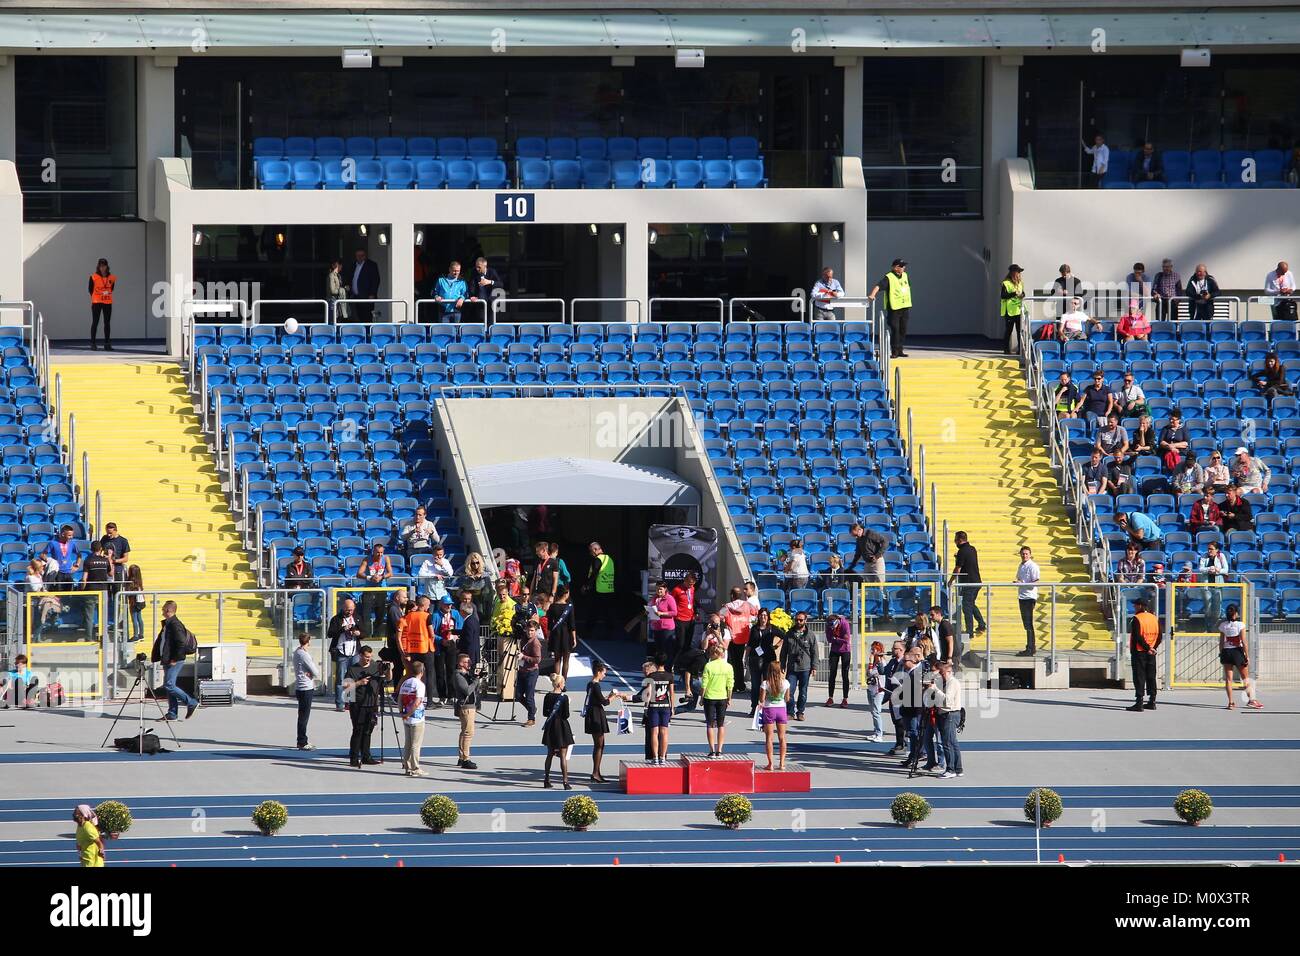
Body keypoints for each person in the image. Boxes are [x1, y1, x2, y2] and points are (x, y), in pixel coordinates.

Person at [153, 600, 198, 721]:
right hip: (168, 659)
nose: (162, 612)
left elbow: (181, 643)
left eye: (163, 610)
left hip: (174, 660)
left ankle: (191, 702)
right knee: (169, 686)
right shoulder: (168, 624)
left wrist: (174, 658)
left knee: (169, 685)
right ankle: (172, 713)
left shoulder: (175, 624)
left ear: (168, 610)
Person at [345, 645, 385, 767]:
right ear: (361, 656)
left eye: (370, 657)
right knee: (358, 730)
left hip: (372, 703)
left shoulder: (375, 666)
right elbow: (346, 687)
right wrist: (359, 683)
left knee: (368, 730)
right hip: (358, 703)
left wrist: (389, 670)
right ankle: (353, 757)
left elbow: (386, 679)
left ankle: (366, 756)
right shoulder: (353, 669)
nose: (368, 659)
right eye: (366, 657)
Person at [584, 661, 624, 780]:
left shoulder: (590, 684)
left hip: (593, 713)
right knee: (599, 745)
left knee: (599, 745)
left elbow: (598, 699)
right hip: (596, 715)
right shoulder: (596, 685)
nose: (604, 675)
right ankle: (595, 773)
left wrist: (609, 696)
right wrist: (614, 697)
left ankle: (596, 772)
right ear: (598, 672)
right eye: (604, 673)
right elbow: (605, 702)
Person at [1218, 604, 1263, 711]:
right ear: (1236, 613)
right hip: (1237, 652)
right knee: (1245, 678)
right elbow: (1243, 642)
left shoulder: (1223, 625)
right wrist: (1247, 656)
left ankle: (1230, 703)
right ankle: (1251, 700)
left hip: (1226, 652)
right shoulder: (1240, 625)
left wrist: (1221, 653)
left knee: (1229, 679)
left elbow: (1221, 642)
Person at [695, 644, 734, 758]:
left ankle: (712, 750)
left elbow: (704, 684)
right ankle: (720, 750)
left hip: (710, 697)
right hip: (722, 697)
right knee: (721, 724)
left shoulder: (708, 666)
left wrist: (701, 697)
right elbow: (730, 684)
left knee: (710, 724)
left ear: (713, 654)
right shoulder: (728, 667)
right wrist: (729, 698)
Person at [868, 258, 912, 358]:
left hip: (905, 307)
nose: (903, 268)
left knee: (903, 330)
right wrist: (872, 295)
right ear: (895, 267)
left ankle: (900, 350)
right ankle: (894, 351)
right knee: (895, 329)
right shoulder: (889, 277)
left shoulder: (905, 275)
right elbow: (878, 286)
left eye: (904, 266)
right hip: (894, 308)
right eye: (901, 266)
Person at [539, 673, 575, 789]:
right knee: (563, 755)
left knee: (549, 754)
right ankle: (565, 782)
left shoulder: (547, 696)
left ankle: (546, 780)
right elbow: (566, 715)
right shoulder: (564, 698)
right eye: (563, 683)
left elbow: (545, 713)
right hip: (561, 727)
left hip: (550, 727)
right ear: (559, 684)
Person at [779, 611, 816, 721]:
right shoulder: (789, 634)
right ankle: (790, 712)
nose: (798, 622)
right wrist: (782, 664)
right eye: (797, 620)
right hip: (792, 667)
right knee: (789, 690)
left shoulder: (810, 635)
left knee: (803, 691)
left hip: (805, 667)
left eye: (801, 620)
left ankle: (800, 712)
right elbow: (784, 651)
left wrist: (814, 667)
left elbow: (815, 652)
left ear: (805, 621)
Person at [948, 531, 986, 637]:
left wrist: (951, 580)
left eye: (955, 540)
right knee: (970, 604)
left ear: (960, 540)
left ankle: (969, 631)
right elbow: (967, 563)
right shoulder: (972, 549)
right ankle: (982, 624)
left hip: (969, 583)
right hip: (976, 581)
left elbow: (958, 568)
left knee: (967, 607)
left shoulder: (962, 551)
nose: (955, 542)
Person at [327, 597, 361, 711]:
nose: (350, 612)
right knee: (341, 679)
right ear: (343, 608)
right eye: (347, 610)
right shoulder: (336, 619)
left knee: (351, 679)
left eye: (351, 610)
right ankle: (340, 704)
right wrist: (343, 629)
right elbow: (330, 633)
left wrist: (358, 633)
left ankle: (349, 703)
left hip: (354, 651)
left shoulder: (356, 617)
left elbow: (365, 632)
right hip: (341, 652)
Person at [746, 606, 781, 716]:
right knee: (756, 684)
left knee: (767, 684)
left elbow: (784, 636)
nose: (763, 617)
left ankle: (766, 706)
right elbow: (750, 644)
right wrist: (746, 657)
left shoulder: (772, 628)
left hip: (768, 659)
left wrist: (776, 645)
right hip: (755, 659)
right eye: (761, 615)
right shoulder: (754, 629)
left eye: (765, 615)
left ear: (768, 617)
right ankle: (754, 707)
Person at [1126, 599, 1160, 712]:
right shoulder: (1154, 618)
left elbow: (1137, 637)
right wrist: (1153, 648)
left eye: (1135, 605)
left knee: (1139, 677)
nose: (1134, 607)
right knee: (1151, 676)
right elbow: (1159, 635)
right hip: (1151, 652)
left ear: (1140, 606)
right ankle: (1152, 701)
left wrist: (1147, 648)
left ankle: (1139, 702)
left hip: (1139, 652)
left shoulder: (1137, 618)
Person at [931, 660, 963, 778]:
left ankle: (951, 769)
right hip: (947, 713)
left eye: (943, 673)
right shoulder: (945, 682)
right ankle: (958, 768)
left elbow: (947, 700)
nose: (941, 676)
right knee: (953, 742)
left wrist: (935, 689)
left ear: (949, 672)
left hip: (950, 714)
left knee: (947, 742)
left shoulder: (952, 682)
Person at [758, 659, 792, 771]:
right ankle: (782, 763)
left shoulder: (765, 683)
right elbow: (787, 699)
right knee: (782, 737)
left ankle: (770, 764)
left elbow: (762, 699)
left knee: (769, 738)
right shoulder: (786, 683)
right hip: (781, 709)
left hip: (769, 709)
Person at [722, 586, 756, 693]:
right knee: (739, 663)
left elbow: (719, 616)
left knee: (732, 662)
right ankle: (740, 685)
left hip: (732, 637)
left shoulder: (727, 607)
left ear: (732, 595)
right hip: (743, 636)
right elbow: (755, 612)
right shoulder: (747, 605)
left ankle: (732, 685)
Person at [642, 654, 674, 765]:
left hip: (654, 707)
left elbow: (649, 693)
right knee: (664, 732)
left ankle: (655, 757)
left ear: (655, 663)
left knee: (654, 732)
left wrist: (646, 706)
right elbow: (671, 693)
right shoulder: (670, 676)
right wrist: (672, 707)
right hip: (665, 707)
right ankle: (662, 757)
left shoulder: (651, 676)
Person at [354, 543, 392, 636]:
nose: (380, 555)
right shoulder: (367, 559)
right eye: (378, 553)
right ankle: (366, 634)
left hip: (381, 588)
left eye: (381, 552)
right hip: (369, 589)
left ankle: (377, 634)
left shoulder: (386, 558)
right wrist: (369, 577)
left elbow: (390, 573)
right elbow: (359, 573)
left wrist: (382, 577)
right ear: (373, 552)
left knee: (380, 613)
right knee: (366, 613)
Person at [398, 660, 428, 777]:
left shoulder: (405, 682)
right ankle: (415, 767)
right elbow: (417, 702)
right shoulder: (420, 685)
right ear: (422, 671)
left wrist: (402, 713)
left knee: (408, 744)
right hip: (416, 718)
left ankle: (407, 766)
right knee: (416, 744)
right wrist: (409, 713)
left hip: (406, 717)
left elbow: (400, 698)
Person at [451, 652, 479, 770]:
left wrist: (475, 676)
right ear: (461, 663)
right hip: (466, 707)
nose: (470, 664)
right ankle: (466, 759)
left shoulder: (465, 674)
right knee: (468, 733)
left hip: (469, 706)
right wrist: (476, 680)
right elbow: (467, 690)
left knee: (465, 732)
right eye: (467, 662)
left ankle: (462, 757)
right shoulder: (458, 676)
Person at [583, 541, 616, 639]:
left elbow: (594, 574)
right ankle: (610, 632)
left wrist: (587, 586)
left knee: (593, 611)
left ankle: (588, 631)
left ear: (595, 550)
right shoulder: (610, 559)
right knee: (608, 612)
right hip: (609, 589)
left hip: (599, 590)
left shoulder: (597, 559)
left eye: (590, 551)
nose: (590, 554)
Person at [292, 632, 319, 751]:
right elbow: (315, 671)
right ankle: (302, 741)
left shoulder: (297, 652)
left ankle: (301, 740)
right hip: (306, 687)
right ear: (308, 641)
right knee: (304, 716)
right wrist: (312, 673)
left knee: (302, 715)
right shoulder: (304, 655)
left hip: (300, 686)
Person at [882, 640, 909, 754]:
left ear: (901, 650)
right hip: (892, 694)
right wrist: (878, 661)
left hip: (902, 695)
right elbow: (884, 671)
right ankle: (899, 743)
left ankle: (904, 744)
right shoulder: (893, 661)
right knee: (896, 720)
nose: (892, 650)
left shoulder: (906, 662)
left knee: (903, 721)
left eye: (895, 648)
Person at [81, 540, 113, 636]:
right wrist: (110, 558)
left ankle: (89, 637)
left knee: (89, 616)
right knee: (103, 615)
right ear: (101, 549)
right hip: (103, 590)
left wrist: (82, 590)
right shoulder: (105, 560)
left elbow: (84, 579)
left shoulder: (88, 560)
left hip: (91, 590)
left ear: (91, 549)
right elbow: (111, 574)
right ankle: (103, 636)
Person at [545, 586, 576, 679]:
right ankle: (563, 683)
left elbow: (550, 623)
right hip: (566, 635)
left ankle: (556, 682)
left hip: (556, 634)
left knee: (557, 660)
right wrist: (574, 638)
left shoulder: (552, 606)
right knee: (566, 661)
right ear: (565, 594)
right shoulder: (569, 607)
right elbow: (572, 624)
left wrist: (549, 636)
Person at [516, 618, 543, 726]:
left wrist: (524, 657)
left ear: (535, 631)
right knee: (517, 695)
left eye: (532, 630)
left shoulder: (535, 643)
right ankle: (532, 709)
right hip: (522, 670)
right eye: (528, 630)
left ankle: (531, 718)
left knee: (529, 696)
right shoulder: (524, 638)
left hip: (531, 672)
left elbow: (537, 660)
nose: (529, 632)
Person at [824, 608, 852, 707]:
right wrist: (837, 639)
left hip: (845, 650)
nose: (831, 628)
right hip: (834, 650)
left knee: (845, 674)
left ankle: (845, 698)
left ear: (837, 621)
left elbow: (846, 640)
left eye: (832, 625)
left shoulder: (844, 624)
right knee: (832, 673)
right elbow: (829, 639)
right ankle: (830, 697)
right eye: (829, 625)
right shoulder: (828, 626)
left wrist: (836, 639)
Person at [1016, 545, 1040, 657]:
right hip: (1022, 596)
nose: (1024, 555)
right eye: (1023, 553)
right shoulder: (1021, 565)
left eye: (1026, 554)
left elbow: (1035, 582)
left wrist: (1022, 583)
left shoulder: (1033, 566)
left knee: (1028, 623)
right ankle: (1030, 647)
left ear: (1030, 555)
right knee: (1026, 624)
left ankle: (1031, 648)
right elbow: (1020, 579)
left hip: (1029, 597)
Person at [1198, 541, 1229, 628]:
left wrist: (1217, 570)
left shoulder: (1221, 556)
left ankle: (1215, 625)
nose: (1209, 551)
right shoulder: (1204, 556)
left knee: (1217, 607)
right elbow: (1200, 569)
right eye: (1208, 549)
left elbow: (1226, 569)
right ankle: (1208, 625)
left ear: (1217, 550)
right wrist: (1209, 569)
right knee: (1208, 607)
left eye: (1211, 549)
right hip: (1206, 586)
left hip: (1218, 586)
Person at [88, 258, 116, 351]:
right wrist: (99, 295)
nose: (102, 268)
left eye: (104, 266)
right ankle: (93, 343)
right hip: (96, 302)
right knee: (95, 322)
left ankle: (107, 344)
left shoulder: (112, 277)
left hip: (107, 302)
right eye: (100, 266)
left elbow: (111, 289)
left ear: (107, 266)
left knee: (107, 323)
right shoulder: (93, 277)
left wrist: (105, 294)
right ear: (98, 267)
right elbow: (90, 289)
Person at [43, 525, 82, 590]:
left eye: (72, 535)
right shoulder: (53, 543)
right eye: (69, 535)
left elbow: (79, 555)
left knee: (69, 595)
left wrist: (77, 565)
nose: (71, 537)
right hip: (57, 572)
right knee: (58, 594)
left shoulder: (72, 544)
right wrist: (51, 562)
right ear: (63, 534)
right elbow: (42, 555)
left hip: (69, 572)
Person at [646, 581, 677, 662]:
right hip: (656, 627)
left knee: (667, 650)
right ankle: (660, 667)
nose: (658, 591)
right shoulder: (654, 598)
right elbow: (651, 608)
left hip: (667, 628)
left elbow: (674, 612)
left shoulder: (670, 598)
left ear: (665, 589)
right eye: (657, 589)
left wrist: (662, 613)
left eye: (660, 589)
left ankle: (668, 668)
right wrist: (648, 611)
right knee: (659, 650)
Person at [863, 640, 887, 741]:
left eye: (874, 649)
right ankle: (875, 732)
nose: (872, 651)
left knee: (876, 712)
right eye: (872, 649)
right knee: (873, 712)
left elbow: (875, 673)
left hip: (878, 690)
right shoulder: (872, 661)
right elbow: (868, 674)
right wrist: (870, 663)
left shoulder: (881, 662)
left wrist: (871, 666)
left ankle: (879, 734)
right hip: (870, 689)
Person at [670, 572, 697, 659]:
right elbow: (671, 603)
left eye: (692, 584)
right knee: (680, 644)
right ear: (684, 580)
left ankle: (683, 663)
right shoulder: (676, 590)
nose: (690, 585)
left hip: (690, 620)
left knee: (688, 643)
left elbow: (692, 601)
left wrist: (695, 612)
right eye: (689, 584)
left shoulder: (692, 588)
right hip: (680, 620)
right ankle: (673, 662)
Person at [349, 248, 380, 322]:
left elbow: (375, 280)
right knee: (357, 317)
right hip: (355, 297)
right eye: (358, 255)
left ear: (365, 256)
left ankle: (367, 332)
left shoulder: (371, 265)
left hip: (367, 297)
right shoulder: (353, 265)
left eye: (361, 255)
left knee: (367, 318)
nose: (359, 257)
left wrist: (372, 294)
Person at [1000, 264, 1025, 353]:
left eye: (1019, 272)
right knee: (1009, 331)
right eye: (1018, 272)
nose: (1019, 274)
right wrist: (1014, 293)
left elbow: (1023, 293)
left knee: (1019, 331)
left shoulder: (1020, 283)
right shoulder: (1006, 283)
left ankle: (1020, 350)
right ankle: (1006, 350)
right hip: (1009, 311)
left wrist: (1022, 295)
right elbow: (1003, 296)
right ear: (1013, 273)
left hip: (1018, 310)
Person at [1152, 258, 1182, 322]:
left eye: (1168, 267)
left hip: (1172, 301)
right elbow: (1154, 289)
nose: (1166, 269)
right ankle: (1160, 331)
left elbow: (1179, 290)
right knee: (1160, 321)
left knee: (1173, 321)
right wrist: (1155, 294)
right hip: (1161, 301)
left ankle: (1172, 331)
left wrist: (1178, 300)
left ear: (1171, 267)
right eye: (1164, 267)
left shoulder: (1176, 276)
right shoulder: (1158, 275)